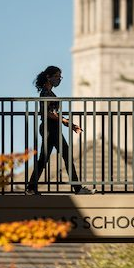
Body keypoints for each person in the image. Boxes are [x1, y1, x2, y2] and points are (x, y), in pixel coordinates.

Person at [27, 66, 94, 195]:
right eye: (57, 76)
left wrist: (70, 124)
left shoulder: (48, 92)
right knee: (66, 156)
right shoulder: (46, 93)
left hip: (51, 128)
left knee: (44, 159)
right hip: (50, 128)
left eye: (59, 77)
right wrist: (66, 122)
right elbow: (47, 113)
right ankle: (78, 188)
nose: (59, 79)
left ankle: (30, 188)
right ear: (48, 76)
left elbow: (54, 114)